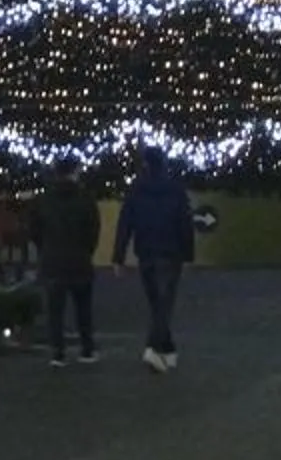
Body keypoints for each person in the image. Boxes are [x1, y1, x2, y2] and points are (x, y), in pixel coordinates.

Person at [113, 146, 195, 372]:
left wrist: (118, 257)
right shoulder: (175, 190)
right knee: (164, 303)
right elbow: (185, 223)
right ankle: (155, 348)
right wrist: (188, 254)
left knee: (157, 303)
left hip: (146, 251)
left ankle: (167, 350)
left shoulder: (136, 190)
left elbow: (125, 224)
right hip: (171, 252)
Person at [30, 163, 103, 366]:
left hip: (53, 260)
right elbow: (93, 230)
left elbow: (34, 229)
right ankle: (87, 349)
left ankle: (58, 352)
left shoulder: (44, 200)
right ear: (74, 174)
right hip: (79, 260)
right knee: (83, 308)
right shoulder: (85, 199)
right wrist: (87, 250)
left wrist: (45, 248)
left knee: (55, 310)